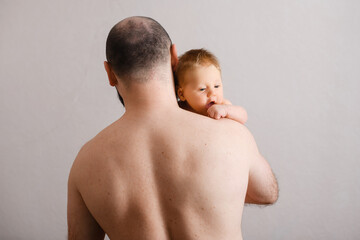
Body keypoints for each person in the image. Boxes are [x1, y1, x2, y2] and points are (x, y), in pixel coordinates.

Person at [67, 16, 278, 240]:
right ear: (174, 58)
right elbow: (267, 193)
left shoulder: (85, 163)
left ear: (109, 73)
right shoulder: (231, 135)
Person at [175, 48, 248, 124]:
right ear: (181, 94)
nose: (212, 93)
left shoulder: (223, 105)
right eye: (202, 89)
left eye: (216, 86)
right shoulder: (180, 108)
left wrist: (226, 110)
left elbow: (243, 116)